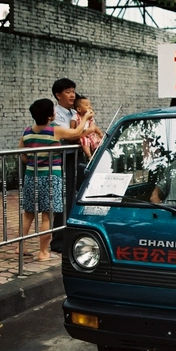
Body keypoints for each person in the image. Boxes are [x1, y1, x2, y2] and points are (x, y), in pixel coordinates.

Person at [19, 99, 94, 261]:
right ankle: (43, 252)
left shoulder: (27, 131)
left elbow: (23, 155)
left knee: (28, 214)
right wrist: (86, 118)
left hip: (31, 176)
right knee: (47, 216)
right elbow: (76, 133)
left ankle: (21, 247)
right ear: (49, 115)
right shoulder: (54, 130)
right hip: (50, 177)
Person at [49, 78, 80, 253]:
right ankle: (58, 240)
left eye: (73, 91)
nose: (72, 94)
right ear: (58, 95)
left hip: (75, 158)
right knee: (64, 198)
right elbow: (70, 136)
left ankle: (72, 234)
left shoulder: (73, 112)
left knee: (75, 198)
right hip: (62, 160)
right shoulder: (56, 114)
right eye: (68, 91)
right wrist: (83, 132)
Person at [72, 94, 103, 160]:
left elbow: (94, 127)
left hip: (91, 135)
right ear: (79, 109)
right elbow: (72, 128)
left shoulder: (90, 118)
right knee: (84, 141)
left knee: (98, 141)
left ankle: (98, 153)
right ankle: (89, 155)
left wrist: (100, 133)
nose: (89, 107)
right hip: (82, 135)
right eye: (86, 105)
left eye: (90, 105)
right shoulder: (76, 117)